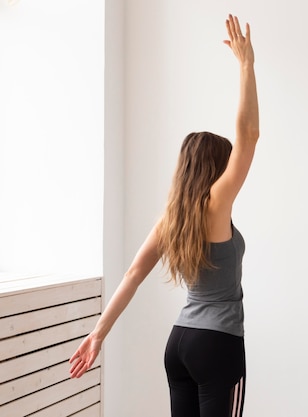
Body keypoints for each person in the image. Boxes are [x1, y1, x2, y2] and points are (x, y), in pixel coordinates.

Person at [69, 14, 259, 417]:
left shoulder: (173, 218)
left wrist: (97, 334)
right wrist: (246, 67)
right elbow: (249, 136)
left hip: (180, 344)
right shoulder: (215, 205)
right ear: (216, 169)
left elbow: (132, 276)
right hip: (218, 344)